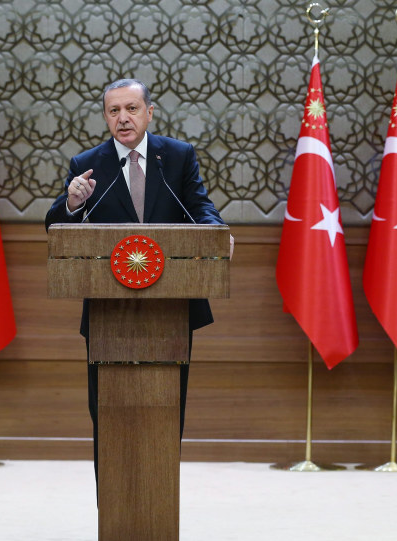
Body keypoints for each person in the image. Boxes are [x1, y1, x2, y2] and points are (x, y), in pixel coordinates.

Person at [45, 78, 231, 479]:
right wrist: (73, 202)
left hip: (171, 308)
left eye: (131, 108)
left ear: (150, 112)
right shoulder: (87, 164)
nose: (123, 118)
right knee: (106, 413)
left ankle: (158, 507)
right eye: (114, 111)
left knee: (168, 410)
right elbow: (55, 225)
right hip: (109, 312)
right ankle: (111, 508)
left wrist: (216, 233)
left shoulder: (178, 157)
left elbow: (199, 205)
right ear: (106, 118)